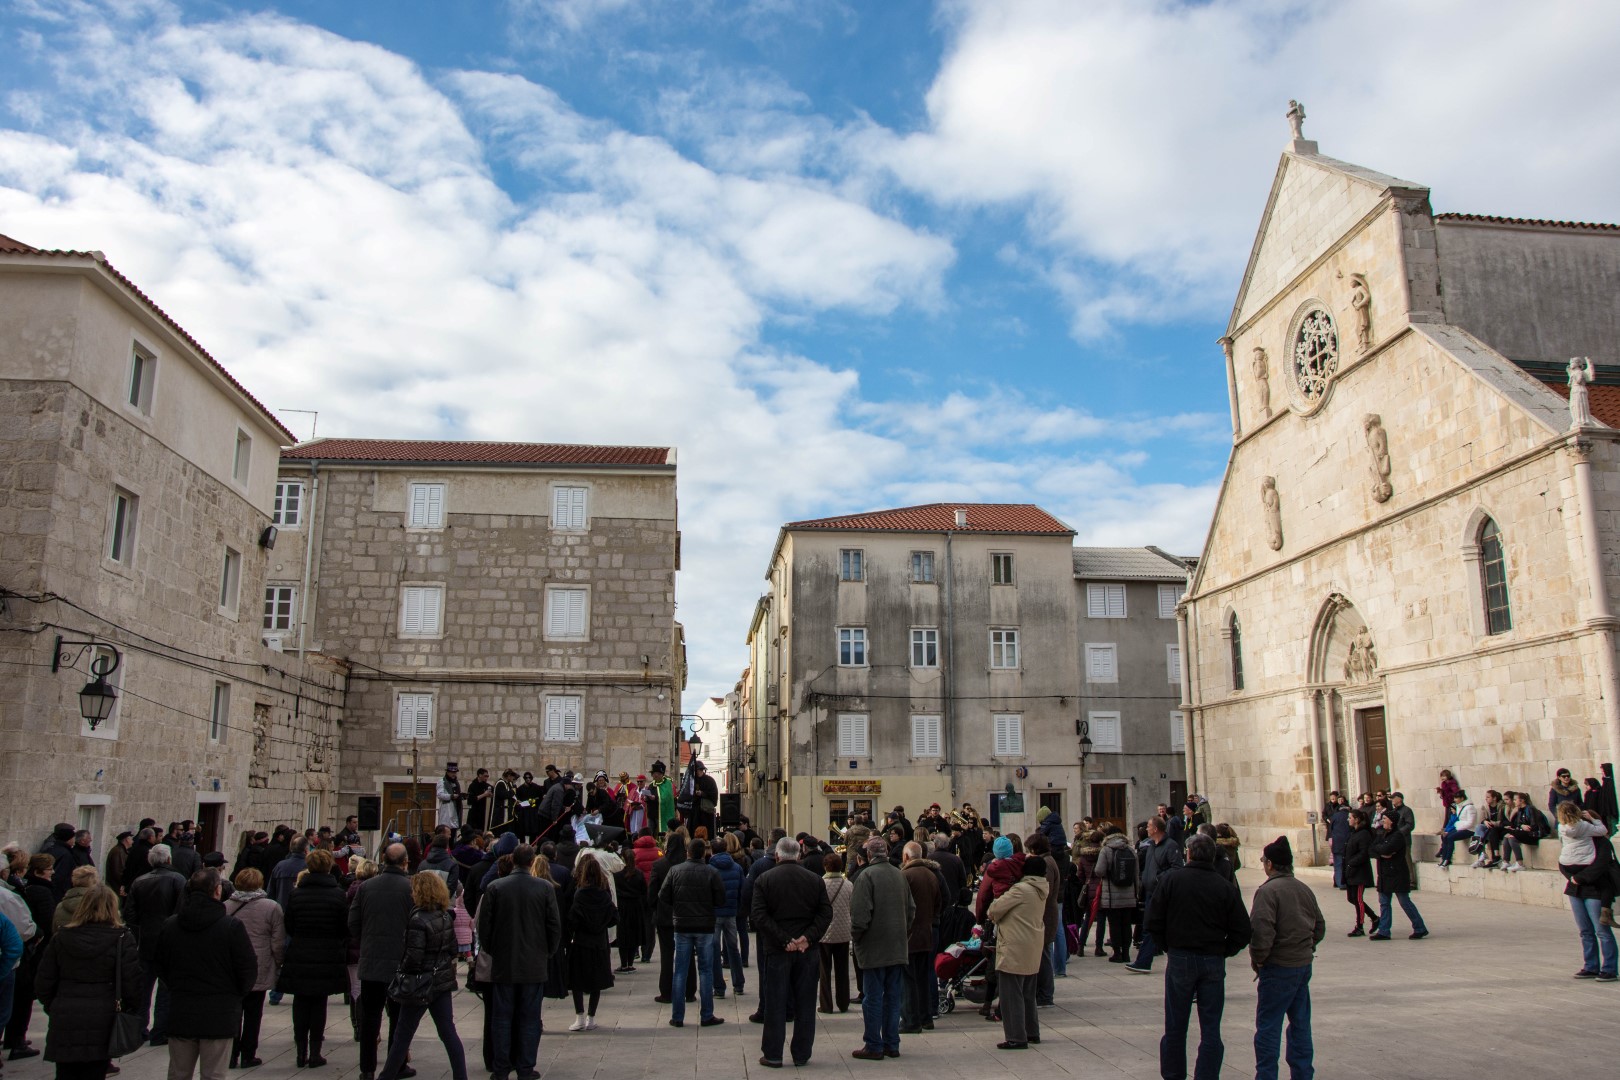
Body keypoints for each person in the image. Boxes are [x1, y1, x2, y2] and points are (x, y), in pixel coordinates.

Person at [1145, 833, 1253, 1080]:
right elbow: (1243, 929)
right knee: (1211, 1028)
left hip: (1181, 956)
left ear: (1189, 853)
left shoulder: (1172, 880)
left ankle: (1173, 1074)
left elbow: (1152, 920)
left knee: (1175, 1025)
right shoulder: (1223, 886)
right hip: (1212, 959)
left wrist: (1168, 945)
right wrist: (1224, 951)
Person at [154, 869, 257, 1080]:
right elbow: (247, 968)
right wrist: (235, 995)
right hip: (219, 1012)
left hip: (183, 1008)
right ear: (217, 891)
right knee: (214, 1075)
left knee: (178, 1073)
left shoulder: (171, 925)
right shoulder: (231, 927)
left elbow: (161, 966)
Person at [36, 884, 141, 1080]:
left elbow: (43, 982)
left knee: (65, 1073)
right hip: (103, 1016)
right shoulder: (121, 938)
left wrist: (56, 1005)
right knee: (95, 1071)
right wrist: (129, 1009)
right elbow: (132, 983)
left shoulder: (62, 937)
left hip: (66, 1014)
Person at [477, 844, 562, 1080]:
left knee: (502, 1017)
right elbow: (554, 926)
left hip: (505, 962)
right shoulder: (544, 888)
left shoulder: (495, 887)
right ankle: (525, 1067)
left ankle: (501, 1067)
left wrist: (494, 950)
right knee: (530, 1017)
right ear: (531, 861)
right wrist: (547, 952)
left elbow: (484, 928)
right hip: (533, 963)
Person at [751, 836, 833, 1069]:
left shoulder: (765, 879)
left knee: (776, 1002)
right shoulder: (815, 880)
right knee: (805, 1003)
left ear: (777, 855)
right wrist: (807, 937)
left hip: (778, 950)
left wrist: (784, 940)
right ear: (799, 855)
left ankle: (773, 1053)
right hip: (807, 950)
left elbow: (759, 915)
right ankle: (801, 1053)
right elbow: (825, 913)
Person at [376, 872, 467, 1080]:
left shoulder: (418, 919)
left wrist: (403, 969)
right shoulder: (444, 916)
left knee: (402, 1035)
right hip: (441, 981)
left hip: (420, 982)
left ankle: (387, 1076)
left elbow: (413, 957)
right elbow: (453, 949)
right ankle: (461, 1076)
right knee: (448, 1032)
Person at [1248, 838, 1324, 1080]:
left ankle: (1266, 1076)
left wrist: (1260, 960)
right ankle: (1302, 1074)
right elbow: (1319, 927)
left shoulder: (1268, 892)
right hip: (1302, 964)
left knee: (1269, 1027)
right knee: (1300, 1024)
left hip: (1278, 966)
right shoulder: (1303, 888)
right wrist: (1305, 947)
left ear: (1270, 864)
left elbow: (1262, 933)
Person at [278, 848, 349, 1068]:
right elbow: (343, 927)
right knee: (319, 1003)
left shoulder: (296, 894)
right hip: (327, 952)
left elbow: (289, 924)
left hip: (300, 950)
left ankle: (301, 1051)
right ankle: (315, 1051)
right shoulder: (337, 894)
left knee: (300, 1002)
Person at [351, 842, 415, 1080]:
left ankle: (367, 1069)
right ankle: (395, 1065)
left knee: (370, 1018)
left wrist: (367, 940)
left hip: (372, 962)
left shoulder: (366, 887)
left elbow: (353, 923)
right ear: (405, 862)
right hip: (401, 962)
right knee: (398, 1017)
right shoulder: (410, 888)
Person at [848, 837, 913, 1062]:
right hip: (896, 946)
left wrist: (856, 939)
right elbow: (911, 910)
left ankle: (874, 1044)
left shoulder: (866, 876)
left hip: (873, 947)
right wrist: (902, 933)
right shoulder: (899, 874)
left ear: (868, 855)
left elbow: (859, 917)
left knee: (873, 997)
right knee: (893, 997)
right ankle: (891, 1043)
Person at [659, 838, 725, 1029]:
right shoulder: (711, 872)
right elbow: (720, 899)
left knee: (680, 970)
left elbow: (663, 896)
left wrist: (678, 906)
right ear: (704, 853)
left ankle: (677, 1016)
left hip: (682, 925)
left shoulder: (675, 871)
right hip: (704, 926)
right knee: (705, 971)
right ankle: (706, 1015)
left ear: (687, 852)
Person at [987, 856, 1048, 1051]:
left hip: (1014, 947)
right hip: (1032, 945)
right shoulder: (1041, 889)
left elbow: (994, 910)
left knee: (1011, 994)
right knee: (1028, 994)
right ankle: (1032, 1032)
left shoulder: (1020, 890)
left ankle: (1016, 1036)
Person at [224, 868, 283, 1069]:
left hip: (232, 965)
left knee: (233, 1012)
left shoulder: (225, 906)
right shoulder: (271, 907)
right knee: (253, 1012)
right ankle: (248, 1054)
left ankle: (230, 1054)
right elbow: (277, 940)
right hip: (259, 962)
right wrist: (278, 961)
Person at [126, 843, 184, 1045]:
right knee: (165, 988)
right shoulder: (177, 880)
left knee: (144, 986)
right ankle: (160, 1031)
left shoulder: (139, 882)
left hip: (145, 940)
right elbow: (181, 912)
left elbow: (130, 914)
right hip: (168, 941)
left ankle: (140, 1029)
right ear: (168, 859)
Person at [1555, 801, 1618, 980]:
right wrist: (1571, 878)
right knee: (1585, 930)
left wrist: (1580, 878)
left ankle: (1610, 968)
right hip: (1575, 888)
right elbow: (1563, 860)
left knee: (1601, 930)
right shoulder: (1573, 837)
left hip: (1595, 888)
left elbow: (1601, 864)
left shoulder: (1600, 842)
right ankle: (1591, 965)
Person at [565, 855, 617, 1032]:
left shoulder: (580, 894)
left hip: (581, 941)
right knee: (596, 981)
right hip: (599, 941)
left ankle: (579, 1016)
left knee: (577, 980)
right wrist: (602, 924)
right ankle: (591, 1017)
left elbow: (572, 918)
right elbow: (614, 917)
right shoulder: (604, 894)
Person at [1125, 816, 1184, 973]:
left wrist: (1159, 878)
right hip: (1150, 892)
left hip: (1163, 893)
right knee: (1149, 927)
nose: (1146, 829)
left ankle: (1147, 961)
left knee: (1155, 927)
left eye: (1149, 826)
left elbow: (1177, 868)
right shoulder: (1151, 845)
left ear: (1156, 829)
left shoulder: (1171, 846)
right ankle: (1144, 961)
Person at [898, 842, 941, 1034]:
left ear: (906, 857)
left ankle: (910, 1020)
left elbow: (900, 905)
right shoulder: (931, 874)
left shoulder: (905, 875)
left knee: (908, 979)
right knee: (923, 977)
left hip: (910, 934)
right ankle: (926, 1017)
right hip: (927, 932)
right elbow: (941, 901)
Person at [1369, 809, 1427, 940]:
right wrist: (1382, 852)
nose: (1383, 821)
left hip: (1397, 874)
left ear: (1392, 821)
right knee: (1384, 902)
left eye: (1385, 819)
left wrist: (1382, 850)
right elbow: (1372, 849)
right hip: (1384, 874)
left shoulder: (1397, 836)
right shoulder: (1382, 834)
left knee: (1404, 901)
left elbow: (1387, 849)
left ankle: (1420, 927)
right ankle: (1384, 931)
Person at [709, 836, 745, 998]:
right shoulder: (736, 868)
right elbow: (742, 890)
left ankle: (719, 987)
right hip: (731, 912)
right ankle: (738, 984)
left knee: (715, 950)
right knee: (733, 948)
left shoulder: (710, 867)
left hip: (714, 913)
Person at [817, 853, 853, 1014]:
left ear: (825, 866)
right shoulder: (848, 885)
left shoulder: (820, 884)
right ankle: (843, 1002)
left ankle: (826, 1005)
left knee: (824, 971)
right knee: (842, 969)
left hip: (824, 933)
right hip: (843, 931)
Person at [1342, 810, 1375, 937]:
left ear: (1356, 819)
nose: (1348, 819)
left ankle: (1360, 926)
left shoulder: (1364, 834)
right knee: (1351, 898)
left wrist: (1351, 863)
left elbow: (1364, 853)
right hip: (1351, 871)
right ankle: (1375, 917)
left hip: (1359, 872)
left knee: (1358, 899)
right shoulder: (1353, 833)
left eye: (1350, 817)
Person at [1436, 789, 1477, 868]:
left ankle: (1448, 859)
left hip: (1469, 830)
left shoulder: (1470, 807)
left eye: (1456, 798)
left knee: (1451, 837)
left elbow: (1471, 822)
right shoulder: (1459, 807)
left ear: (1462, 798)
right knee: (1445, 836)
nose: (1455, 800)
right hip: (1461, 828)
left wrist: (1458, 825)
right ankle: (1444, 858)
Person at [645, 762, 676, 836]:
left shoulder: (667, 784)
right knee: (650, 832)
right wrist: (646, 798)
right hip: (651, 814)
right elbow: (648, 794)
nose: (654, 776)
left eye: (656, 774)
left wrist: (655, 798)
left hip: (661, 814)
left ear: (661, 774)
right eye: (653, 774)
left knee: (660, 833)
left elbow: (666, 797)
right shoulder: (651, 784)